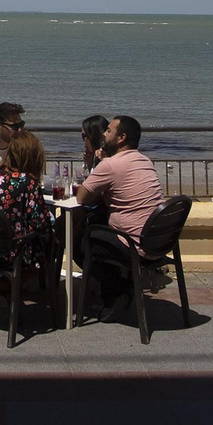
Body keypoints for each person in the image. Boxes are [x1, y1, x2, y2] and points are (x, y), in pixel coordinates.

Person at [75, 114, 164, 320]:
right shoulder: (144, 160)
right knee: (96, 228)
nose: (104, 134)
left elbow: (81, 197)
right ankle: (123, 286)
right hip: (158, 241)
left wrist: (100, 164)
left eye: (109, 131)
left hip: (133, 245)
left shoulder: (111, 165)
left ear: (121, 137)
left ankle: (116, 292)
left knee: (80, 238)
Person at [0, 129, 54, 299]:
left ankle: (8, 291)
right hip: (10, 251)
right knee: (49, 249)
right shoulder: (27, 181)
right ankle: (3, 285)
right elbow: (40, 223)